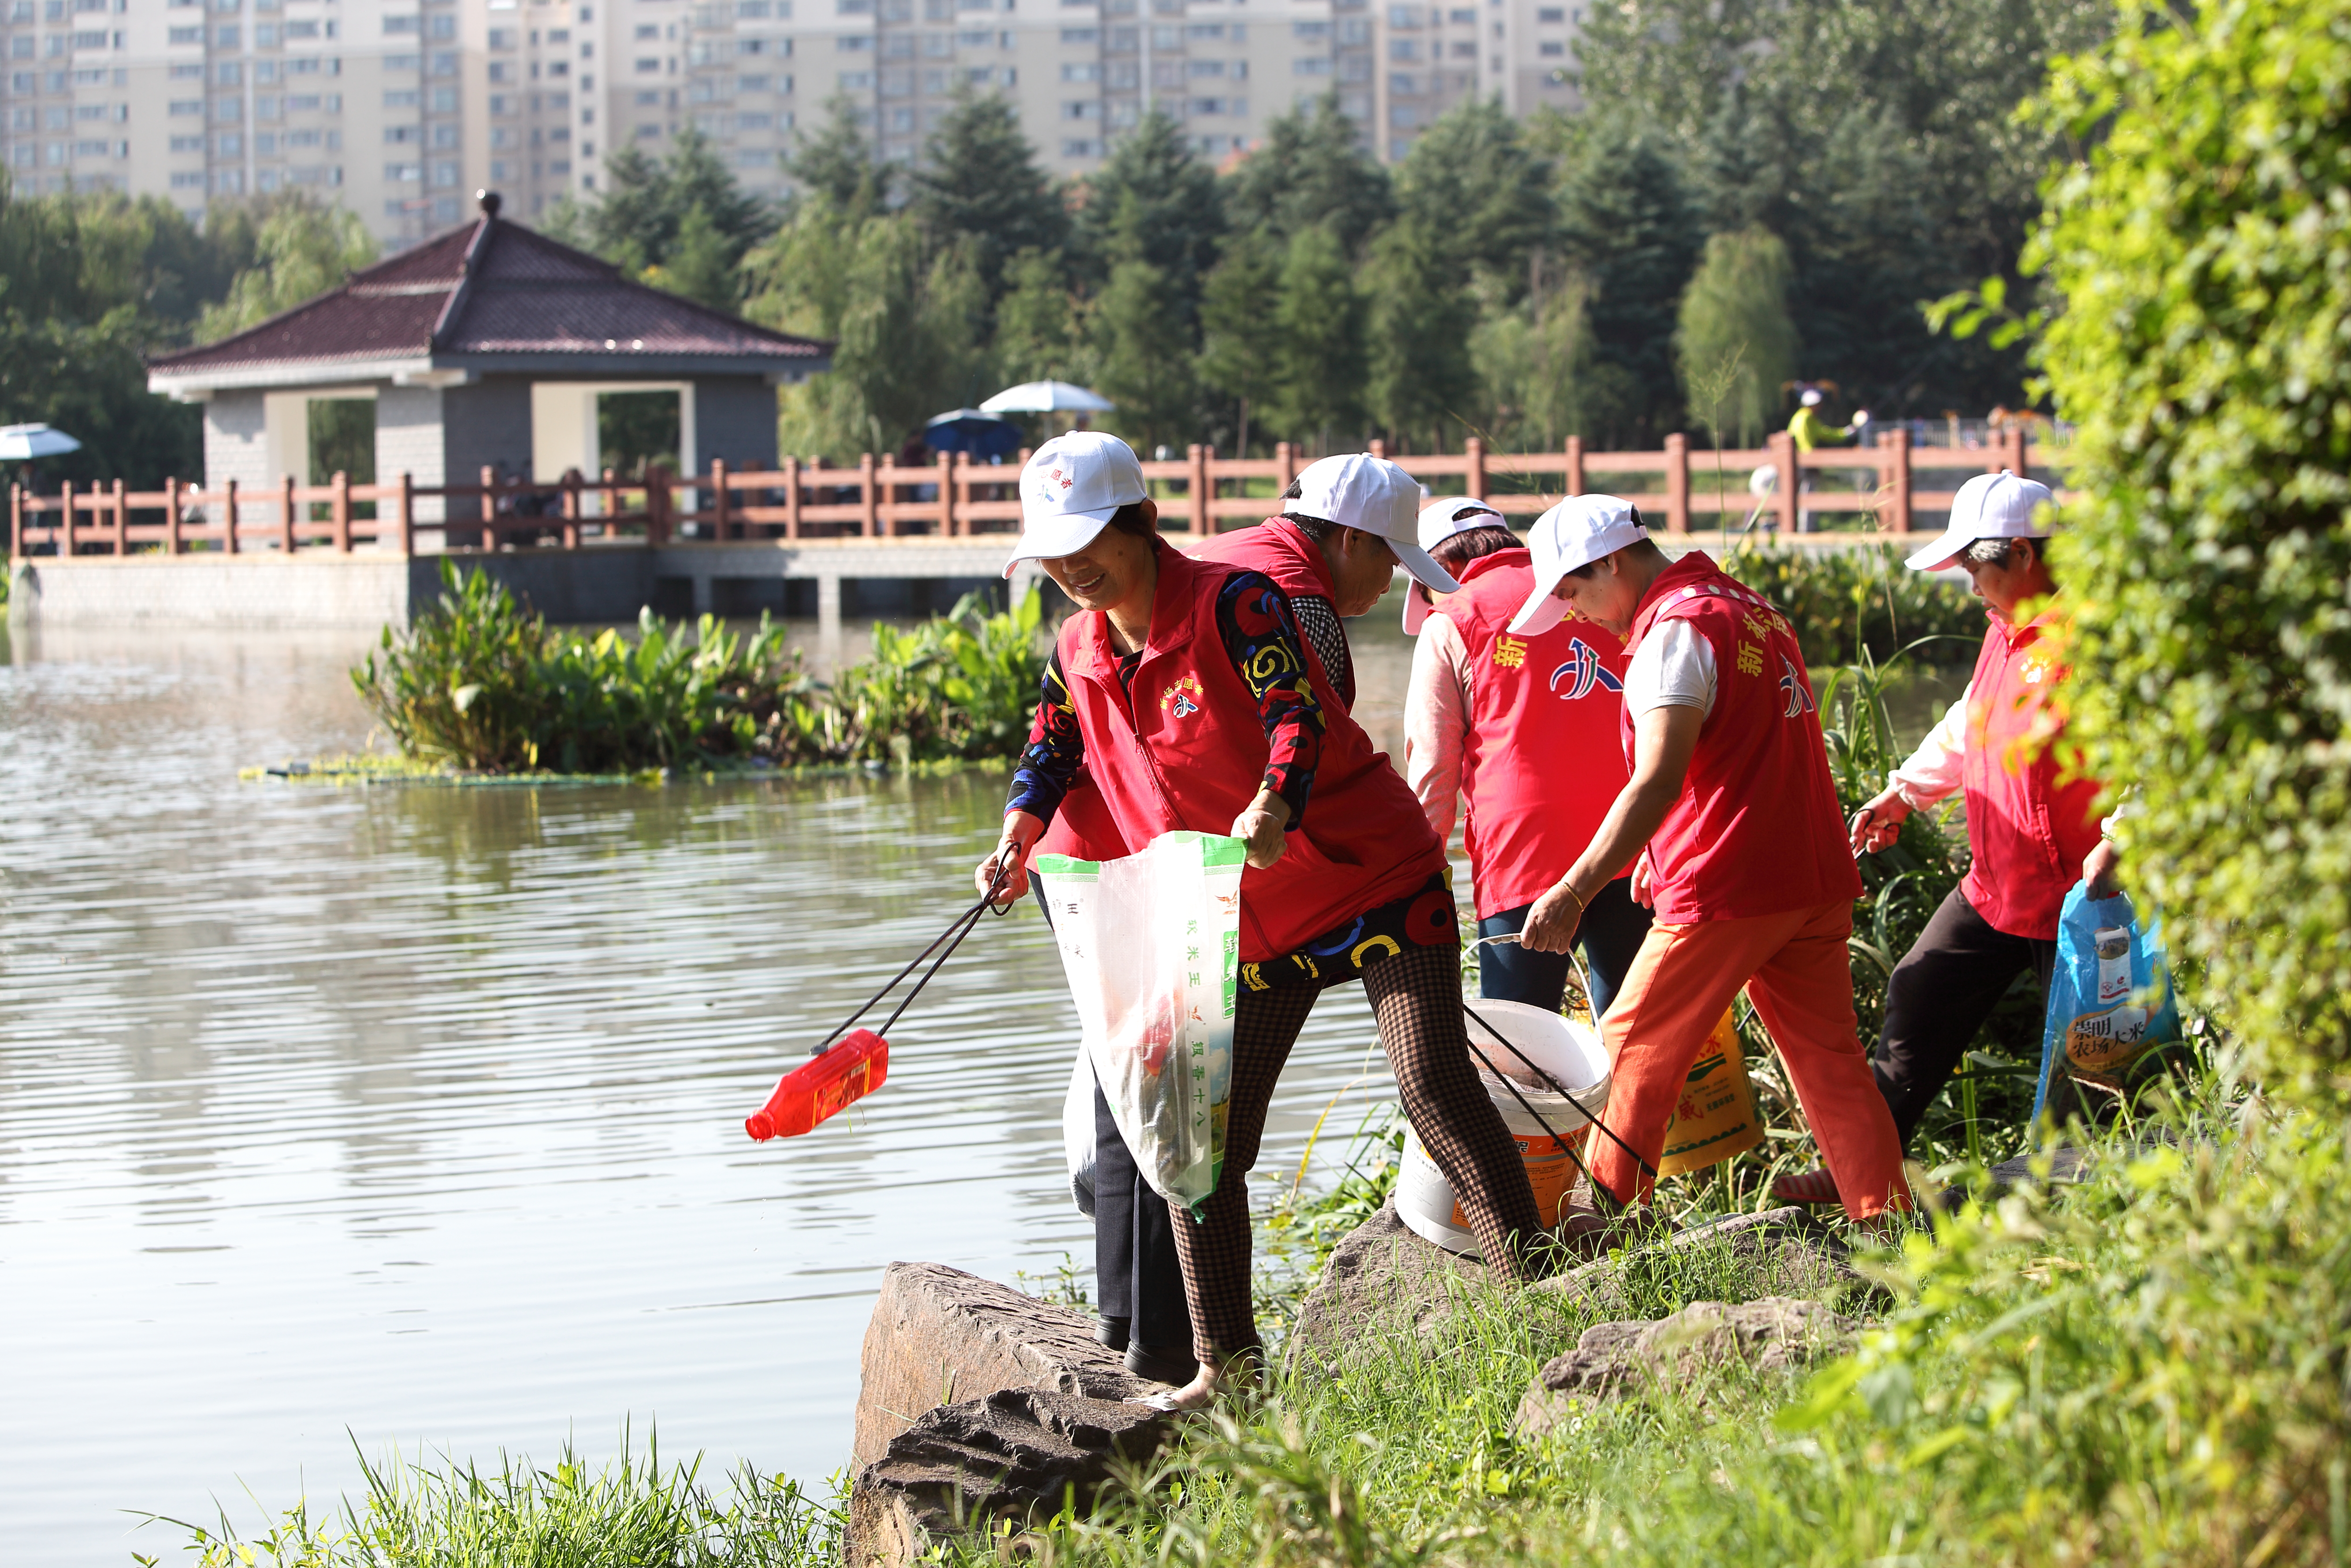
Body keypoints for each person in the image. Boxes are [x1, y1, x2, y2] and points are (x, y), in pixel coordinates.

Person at [979, 432, 1550, 1409]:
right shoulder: (1077, 648)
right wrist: (1017, 833)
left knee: (1431, 1083)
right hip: (1249, 917)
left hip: (1371, 875)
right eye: (1055, 551)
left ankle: (1537, 1306)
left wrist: (1275, 803)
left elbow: (1297, 712)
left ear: (1146, 524)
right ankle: (1227, 1371)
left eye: (1091, 543)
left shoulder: (1235, 602)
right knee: (1201, 1149)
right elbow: (1052, 748)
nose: (1075, 569)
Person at [1512, 498, 1909, 1222]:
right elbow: (1743, 756)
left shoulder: (1675, 632)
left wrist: (1574, 888)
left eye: (1572, 590)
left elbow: (1660, 777)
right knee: (1832, 1063)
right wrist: (1656, 855)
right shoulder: (1751, 608)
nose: (1572, 611)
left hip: (1730, 887)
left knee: (1632, 1045)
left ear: (1610, 561)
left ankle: (1600, 1231)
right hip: (1812, 878)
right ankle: (1888, 1217)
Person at [1772, 472, 2117, 1203]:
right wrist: (1906, 790)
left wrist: (2123, 840)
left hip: (2085, 891)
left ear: (2023, 553)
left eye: (1974, 566)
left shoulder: (2097, 635)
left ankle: (2067, 1198)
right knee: (1920, 990)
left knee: (2088, 1054)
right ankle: (1858, 1170)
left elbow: (2156, 751)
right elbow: (1970, 724)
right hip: (1997, 882)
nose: (1969, 585)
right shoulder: (2006, 630)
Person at [1402, 496, 1651, 1017]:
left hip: (1524, 852)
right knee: (1629, 1036)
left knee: (1523, 1046)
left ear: (1439, 569)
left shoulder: (1453, 615)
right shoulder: (1594, 590)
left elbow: (1433, 766)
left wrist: (1418, 875)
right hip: (1629, 839)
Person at [1188, 453, 1425, 707]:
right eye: (1392, 564)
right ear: (1354, 539)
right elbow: (1312, 740)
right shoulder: (1306, 608)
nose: (1388, 586)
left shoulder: (1216, 548)